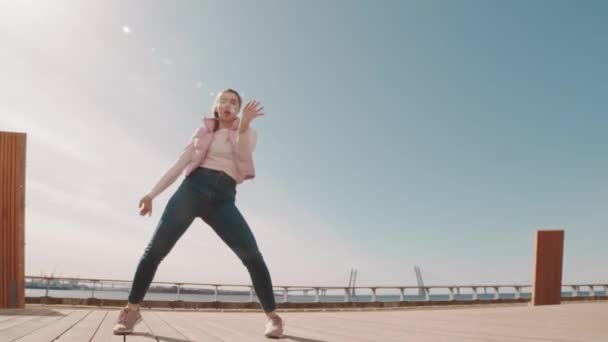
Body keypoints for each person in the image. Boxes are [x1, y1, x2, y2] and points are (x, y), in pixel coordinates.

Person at [112, 88, 284, 338]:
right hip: (192, 191)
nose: (228, 104)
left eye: (234, 102)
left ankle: (273, 318)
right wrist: (151, 194)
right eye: (223, 100)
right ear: (216, 106)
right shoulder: (202, 132)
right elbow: (180, 163)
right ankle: (130, 311)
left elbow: (244, 154)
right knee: (155, 250)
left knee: (252, 255)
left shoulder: (247, 131)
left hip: (224, 199)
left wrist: (244, 126)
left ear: (238, 109)